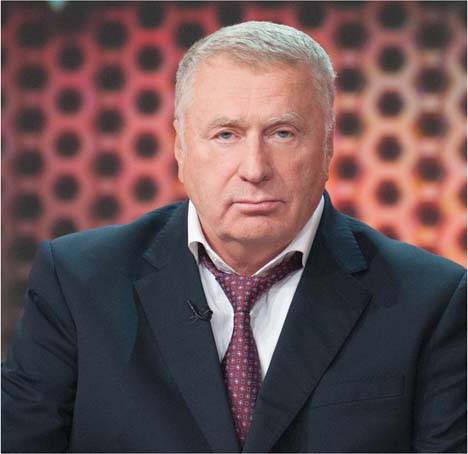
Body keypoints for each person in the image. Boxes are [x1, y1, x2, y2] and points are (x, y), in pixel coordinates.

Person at [2, 21, 466, 453]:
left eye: (282, 134)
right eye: (226, 135)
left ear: (328, 144)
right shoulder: (77, 282)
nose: (254, 169)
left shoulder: (433, 300)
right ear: (181, 147)